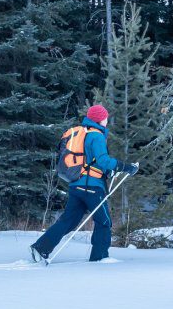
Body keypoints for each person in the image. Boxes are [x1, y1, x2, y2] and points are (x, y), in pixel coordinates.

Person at [30, 104, 138, 263]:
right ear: (100, 119)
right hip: (92, 187)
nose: (106, 121)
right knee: (104, 222)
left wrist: (107, 172)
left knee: (69, 220)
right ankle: (100, 258)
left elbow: (91, 161)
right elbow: (103, 160)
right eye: (105, 118)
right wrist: (126, 167)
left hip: (75, 185)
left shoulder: (79, 133)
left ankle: (40, 248)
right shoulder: (96, 135)